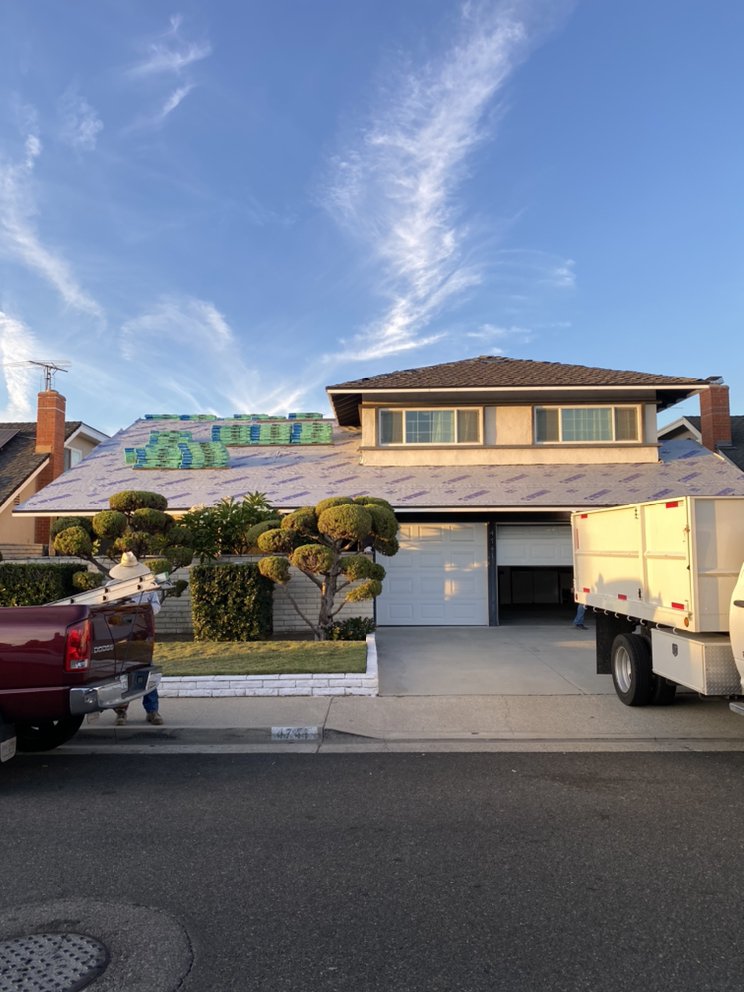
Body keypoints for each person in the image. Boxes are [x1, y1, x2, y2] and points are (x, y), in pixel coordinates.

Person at [109, 552, 164, 726]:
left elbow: (155, 607)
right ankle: (121, 711)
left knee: (146, 671)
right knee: (121, 674)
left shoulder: (147, 586)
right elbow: (107, 609)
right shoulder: (112, 586)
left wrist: (141, 610)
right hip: (120, 635)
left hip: (142, 633)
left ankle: (152, 710)